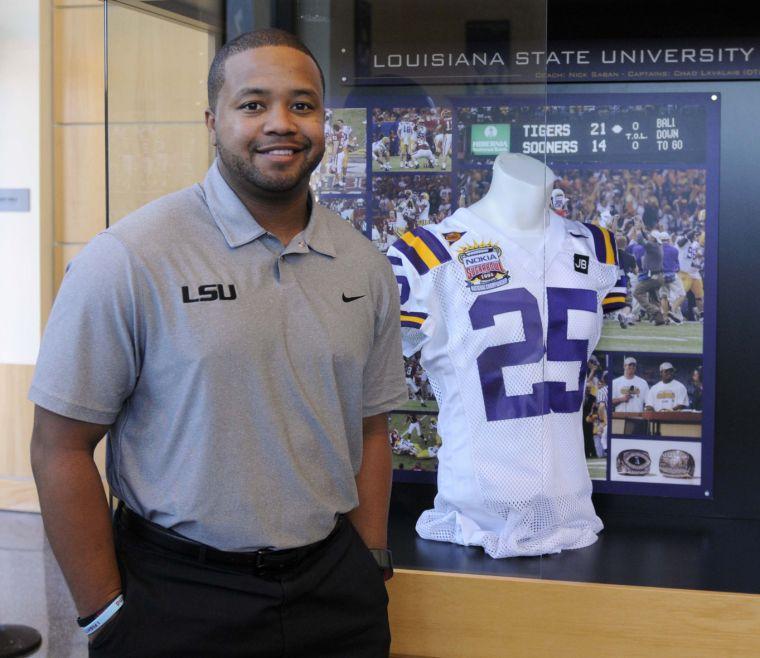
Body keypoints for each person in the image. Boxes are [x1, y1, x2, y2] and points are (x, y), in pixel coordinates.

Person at [29, 29, 407, 657]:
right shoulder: (129, 257)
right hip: (178, 595)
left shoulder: (363, 265)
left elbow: (370, 428)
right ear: (212, 120)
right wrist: (103, 616)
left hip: (335, 592)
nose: (281, 124)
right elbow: (59, 448)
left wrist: (370, 562)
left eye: (303, 105)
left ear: (325, 122)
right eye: (253, 104)